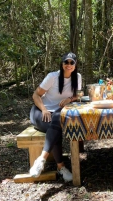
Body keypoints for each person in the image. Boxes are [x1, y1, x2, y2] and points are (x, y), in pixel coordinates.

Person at [29, 52, 82, 182]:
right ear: (62, 64)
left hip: (57, 113)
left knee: (56, 121)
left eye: (71, 63)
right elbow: (36, 95)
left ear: (75, 65)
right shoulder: (52, 77)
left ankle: (45, 161)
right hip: (40, 112)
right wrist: (44, 109)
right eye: (66, 62)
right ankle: (56, 165)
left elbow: (79, 95)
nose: (68, 65)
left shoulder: (78, 77)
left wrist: (70, 99)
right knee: (55, 125)